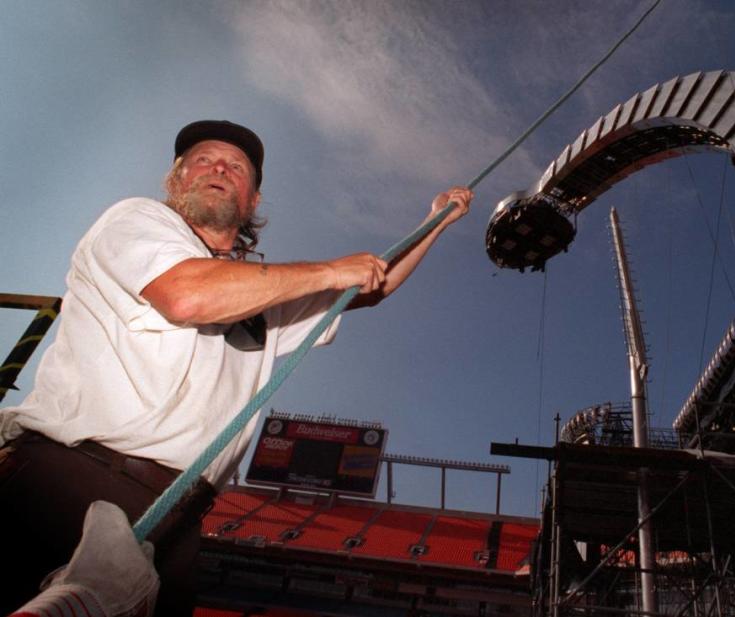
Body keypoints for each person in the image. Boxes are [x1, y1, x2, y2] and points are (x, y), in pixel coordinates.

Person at [0, 120, 472, 616]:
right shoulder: (134, 220)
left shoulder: (266, 297)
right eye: (203, 159)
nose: (220, 167)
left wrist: (436, 221)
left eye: (237, 166)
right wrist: (330, 270)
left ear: (252, 202)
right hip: (68, 482)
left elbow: (371, 289)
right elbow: (187, 295)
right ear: (176, 178)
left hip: (177, 516)